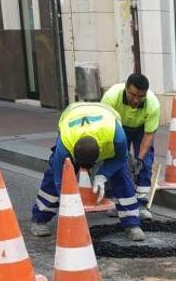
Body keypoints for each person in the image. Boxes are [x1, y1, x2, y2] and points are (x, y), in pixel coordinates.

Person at [31, 102, 146, 241]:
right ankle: (40, 219)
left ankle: (132, 224)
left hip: (105, 115)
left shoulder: (116, 136)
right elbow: (59, 176)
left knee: (121, 177)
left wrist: (103, 175)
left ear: (100, 154)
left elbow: (121, 159)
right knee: (51, 179)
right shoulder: (66, 143)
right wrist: (68, 198)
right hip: (72, 114)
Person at [101, 73, 160, 220]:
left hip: (141, 129)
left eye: (141, 96)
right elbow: (104, 127)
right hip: (117, 127)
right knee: (118, 163)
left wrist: (139, 160)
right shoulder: (111, 97)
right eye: (133, 95)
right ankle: (120, 202)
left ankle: (140, 204)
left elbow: (148, 135)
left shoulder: (152, 104)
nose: (136, 99)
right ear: (126, 88)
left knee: (145, 163)